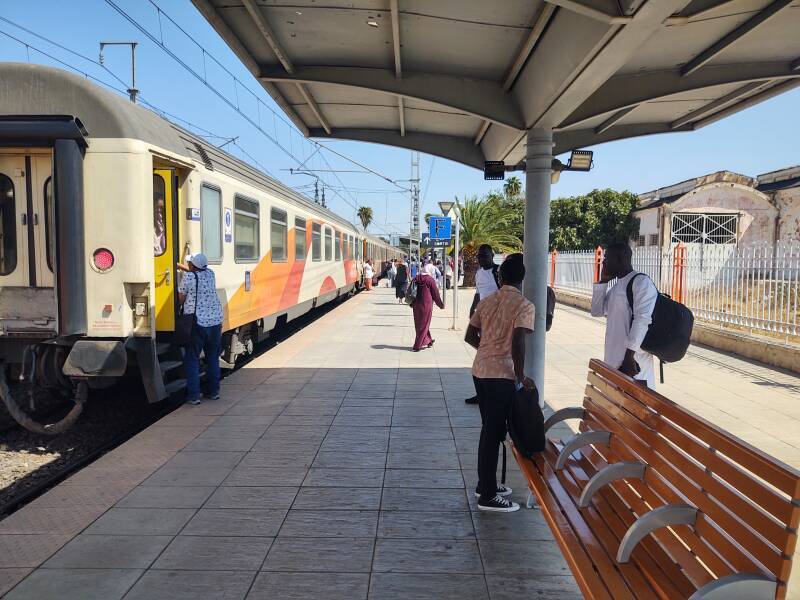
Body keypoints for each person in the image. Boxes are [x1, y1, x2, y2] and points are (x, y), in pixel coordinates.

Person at [464, 254, 534, 512]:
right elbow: (518, 342)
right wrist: (521, 375)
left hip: (480, 372)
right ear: (522, 279)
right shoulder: (524, 305)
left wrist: (486, 351)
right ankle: (488, 496)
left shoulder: (487, 301)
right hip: (501, 376)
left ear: (500, 276)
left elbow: (470, 335)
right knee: (492, 434)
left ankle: (486, 484)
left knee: (489, 430)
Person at [591, 242, 658, 388]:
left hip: (633, 364)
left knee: (637, 408)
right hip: (614, 360)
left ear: (619, 259)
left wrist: (629, 357)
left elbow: (642, 320)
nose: (604, 262)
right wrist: (603, 282)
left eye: (607, 257)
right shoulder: (617, 286)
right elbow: (597, 311)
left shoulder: (641, 282)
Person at [178, 253, 223, 405]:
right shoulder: (211, 274)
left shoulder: (188, 277)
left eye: (190, 263)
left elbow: (181, 298)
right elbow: (196, 272)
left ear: (193, 266)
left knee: (192, 358)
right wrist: (180, 266)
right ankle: (214, 392)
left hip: (197, 323)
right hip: (215, 322)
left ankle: (194, 396)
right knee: (212, 357)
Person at [464, 244, 500, 404]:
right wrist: (472, 310)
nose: (481, 259)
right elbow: (478, 293)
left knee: (484, 357)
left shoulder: (498, 272)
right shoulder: (479, 273)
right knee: (481, 356)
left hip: (497, 319)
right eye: (479, 256)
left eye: (484, 255)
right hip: (482, 317)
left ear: (492, 255)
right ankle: (481, 394)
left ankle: (487, 393)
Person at [411, 265, 444, 351]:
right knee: (425, 324)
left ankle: (428, 340)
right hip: (426, 305)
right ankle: (417, 345)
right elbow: (435, 294)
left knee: (420, 324)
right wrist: (440, 304)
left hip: (416, 304)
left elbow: (411, 290)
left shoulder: (416, 278)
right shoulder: (430, 280)